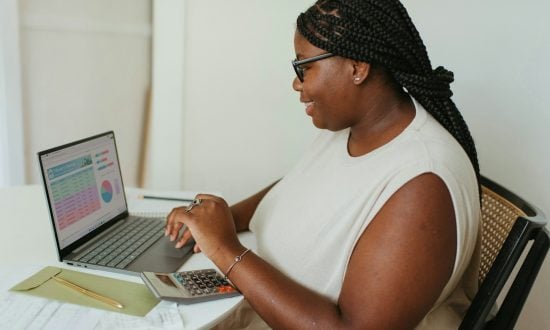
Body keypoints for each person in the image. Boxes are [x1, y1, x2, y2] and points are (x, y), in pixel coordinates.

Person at [165, 0, 481, 328]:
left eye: (305, 67)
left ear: (358, 67)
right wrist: (223, 220)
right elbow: (297, 188)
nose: (297, 84)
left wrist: (225, 248)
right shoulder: (353, 129)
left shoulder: (423, 185)